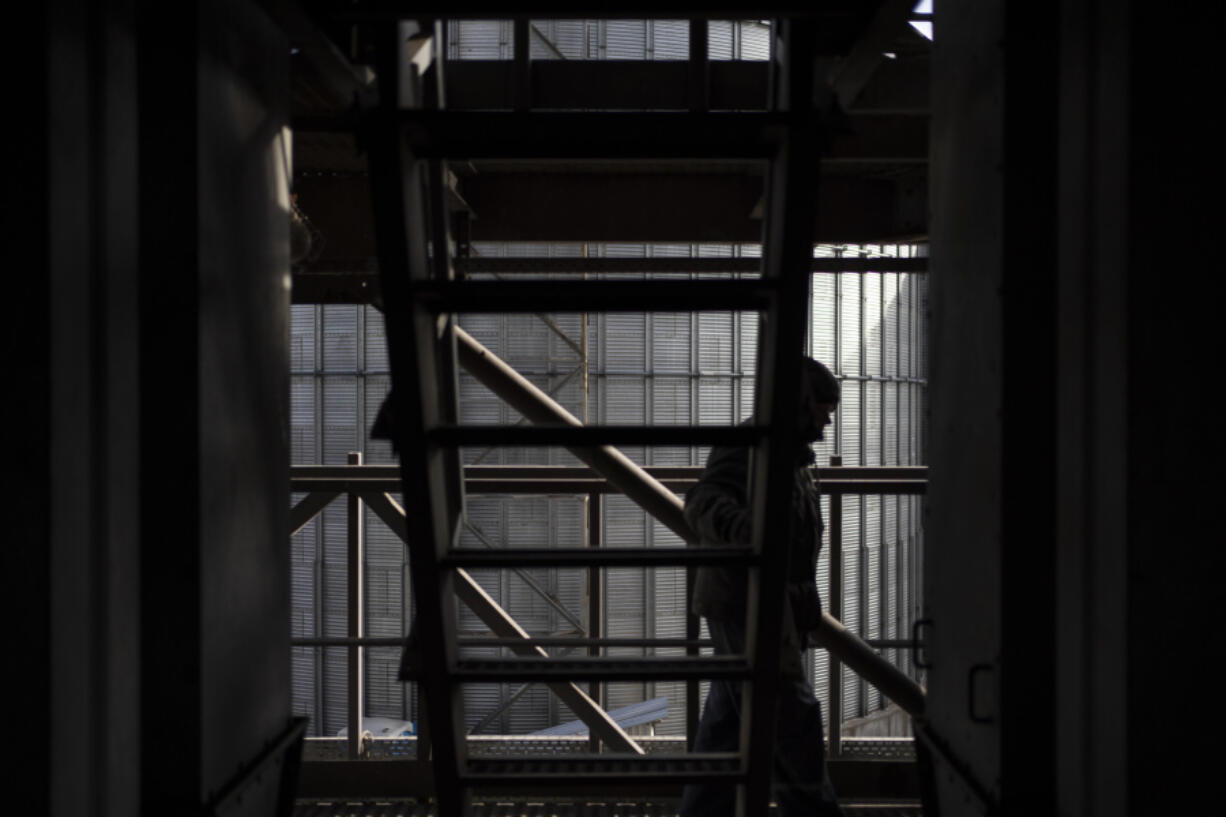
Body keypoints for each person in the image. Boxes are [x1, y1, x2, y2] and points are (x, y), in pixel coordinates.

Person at [679, 357, 843, 817]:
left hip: (762, 604)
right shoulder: (751, 447)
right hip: (747, 605)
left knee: (726, 731)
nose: (828, 419)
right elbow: (703, 501)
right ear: (799, 403)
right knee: (795, 725)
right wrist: (752, 533)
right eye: (823, 408)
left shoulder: (789, 456)